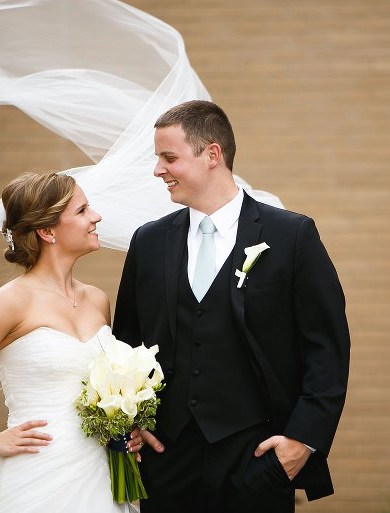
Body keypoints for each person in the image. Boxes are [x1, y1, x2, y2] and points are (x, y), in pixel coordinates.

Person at [113, 100, 350, 512]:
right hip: (167, 461)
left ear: (212, 155)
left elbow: (327, 347)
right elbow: (126, 342)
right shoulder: (149, 242)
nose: (158, 170)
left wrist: (301, 442)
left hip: (257, 459)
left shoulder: (291, 236)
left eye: (169, 158)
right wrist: (130, 422)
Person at [0, 172, 141, 513]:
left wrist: (126, 427)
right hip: (38, 471)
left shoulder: (97, 300)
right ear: (47, 231)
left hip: (99, 473)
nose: (96, 217)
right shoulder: (13, 300)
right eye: (83, 211)